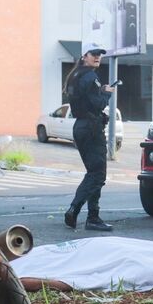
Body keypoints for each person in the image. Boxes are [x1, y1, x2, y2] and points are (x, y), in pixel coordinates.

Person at [63, 43, 116, 231]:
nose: (97, 57)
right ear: (84, 55)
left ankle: (93, 216)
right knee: (97, 175)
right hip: (91, 128)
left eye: (100, 54)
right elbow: (98, 104)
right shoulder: (90, 76)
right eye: (93, 54)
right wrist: (106, 93)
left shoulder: (74, 75)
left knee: (94, 173)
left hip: (80, 127)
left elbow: (84, 99)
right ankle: (76, 209)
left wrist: (99, 91)